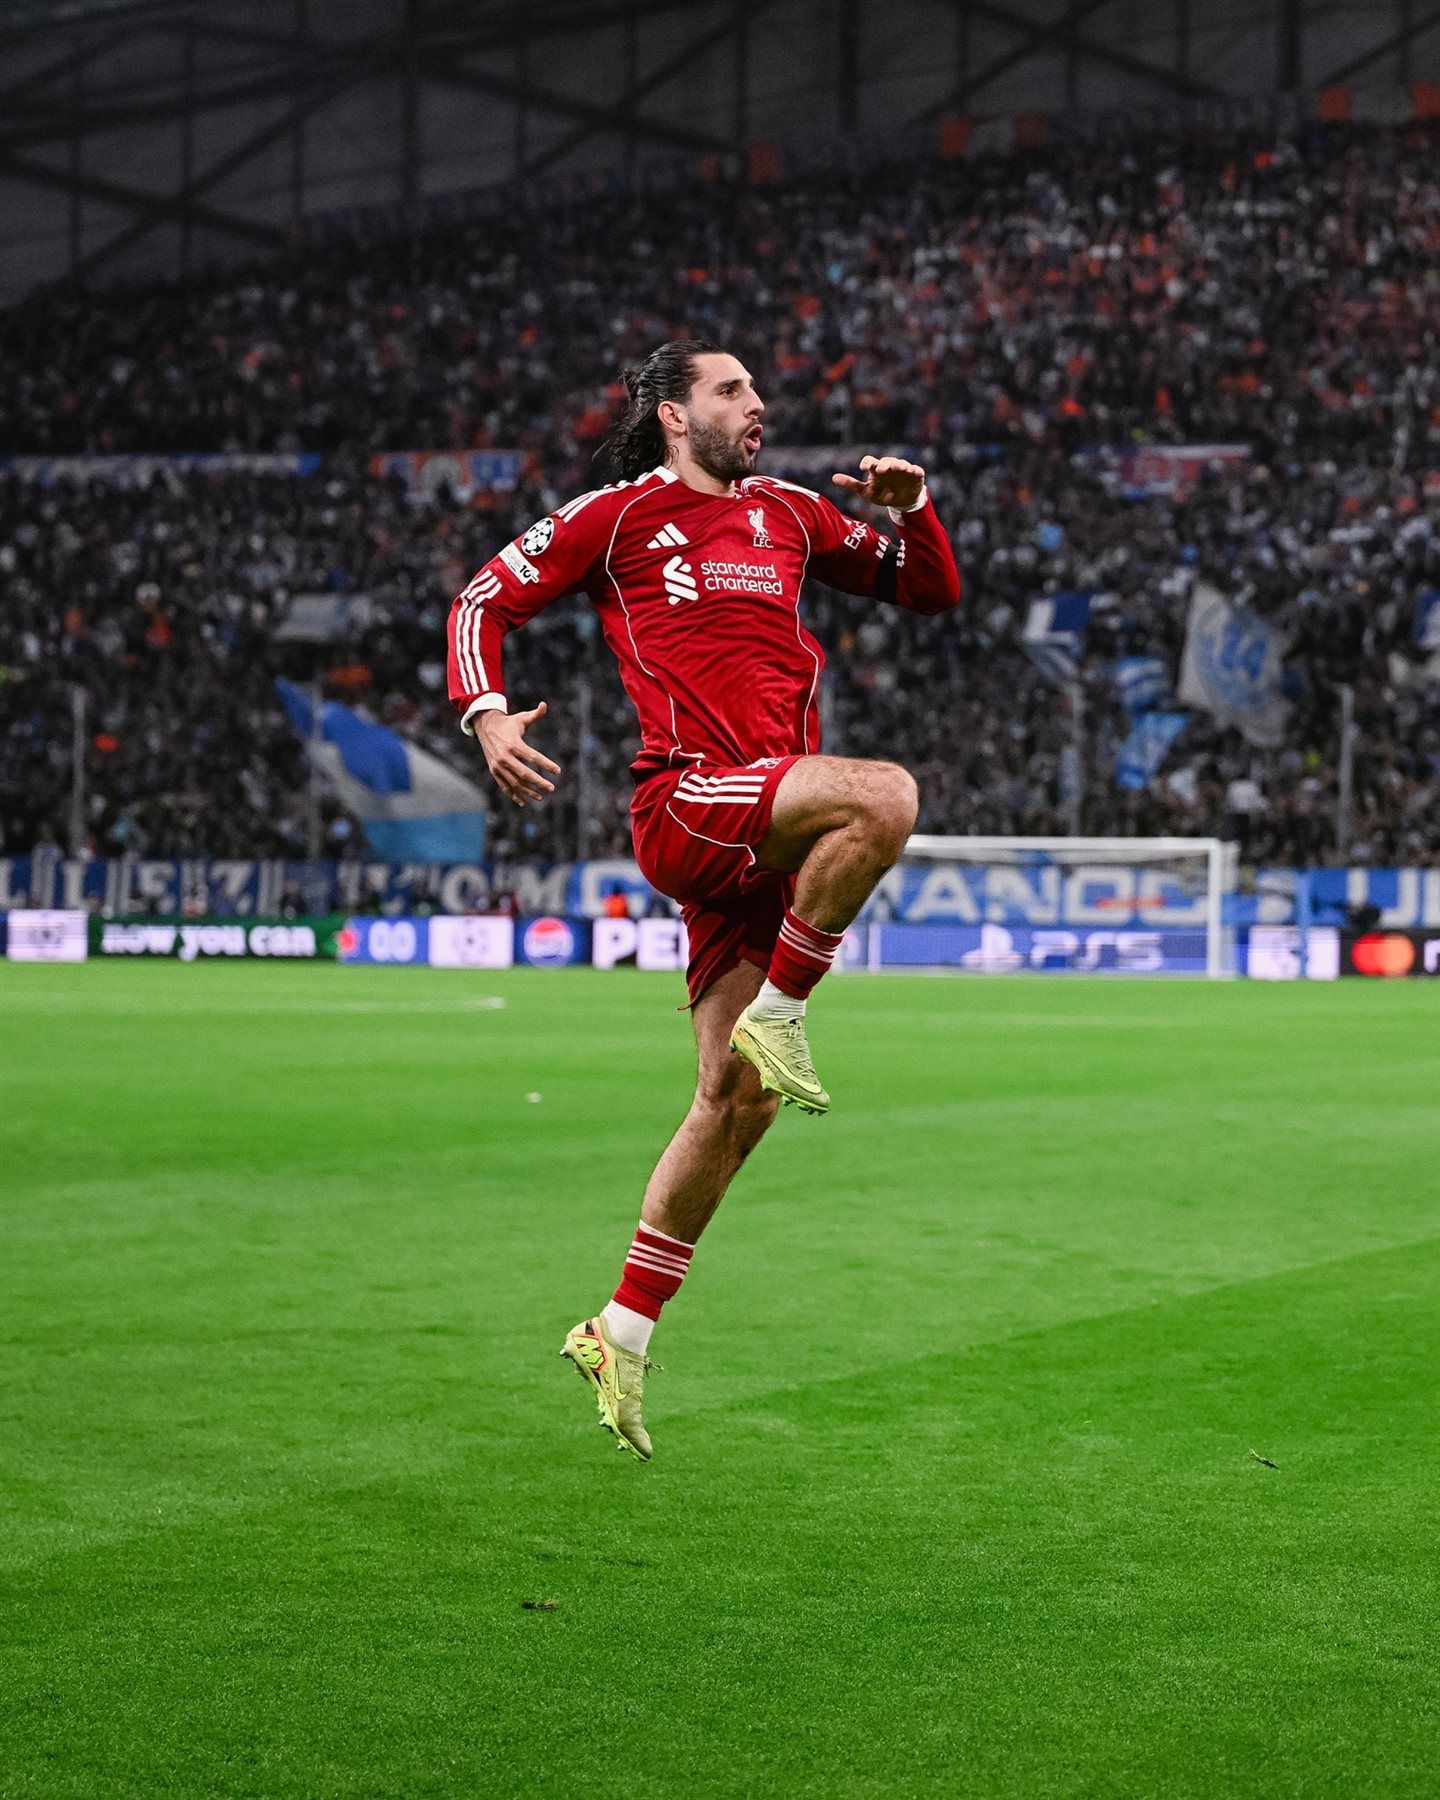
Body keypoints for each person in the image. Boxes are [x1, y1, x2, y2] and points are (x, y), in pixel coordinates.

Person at [446, 340, 961, 1460]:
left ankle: (620, 1331)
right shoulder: (620, 516)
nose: (757, 404)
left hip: (767, 833)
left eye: (757, 390)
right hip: (687, 801)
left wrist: (916, 512)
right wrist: (485, 712)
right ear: (674, 415)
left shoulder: (791, 513)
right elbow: (482, 598)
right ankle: (786, 1011)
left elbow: (930, 590)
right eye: (732, 390)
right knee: (884, 796)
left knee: (737, 1101)